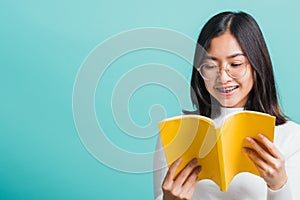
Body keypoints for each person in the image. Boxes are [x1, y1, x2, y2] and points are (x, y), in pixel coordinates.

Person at [153, 11, 300, 200]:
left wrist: (279, 185)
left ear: (257, 65)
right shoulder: (175, 134)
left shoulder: (292, 137)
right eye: (211, 66)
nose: (223, 77)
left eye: (236, 64)